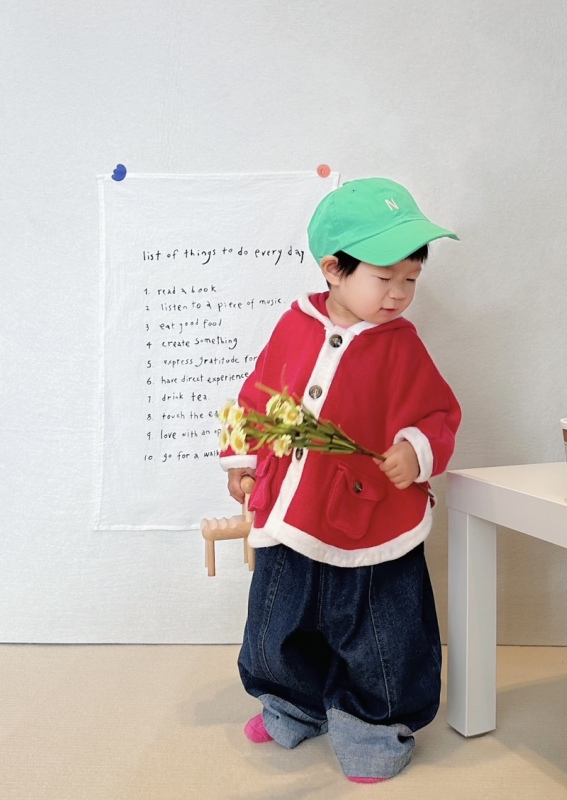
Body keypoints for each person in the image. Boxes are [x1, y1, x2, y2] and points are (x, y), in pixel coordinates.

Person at [220, 177, 461, 783]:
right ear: (333, 269)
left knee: (380, 631)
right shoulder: (294, 325)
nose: (400, 293)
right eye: (385, 278)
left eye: (411, 279)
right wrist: (242, 460)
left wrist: (415, 449)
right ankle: (292, 702)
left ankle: (374, 725)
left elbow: (439, 413)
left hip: (372, 515)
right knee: (278, 619)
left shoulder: (401, 344)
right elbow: (258, 396)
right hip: (291, 511)